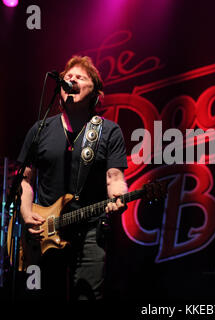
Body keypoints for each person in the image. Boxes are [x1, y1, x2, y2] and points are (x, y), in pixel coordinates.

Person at [17, 56, 128, 300]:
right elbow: (24, 180)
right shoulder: (40, 130)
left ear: (96, 92)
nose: (72, 79)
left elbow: (115, 176)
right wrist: (26, 215)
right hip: (45, 230)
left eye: (80, 77)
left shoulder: (109, 131)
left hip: (90, 230)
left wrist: (118, 196)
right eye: (68, 77)